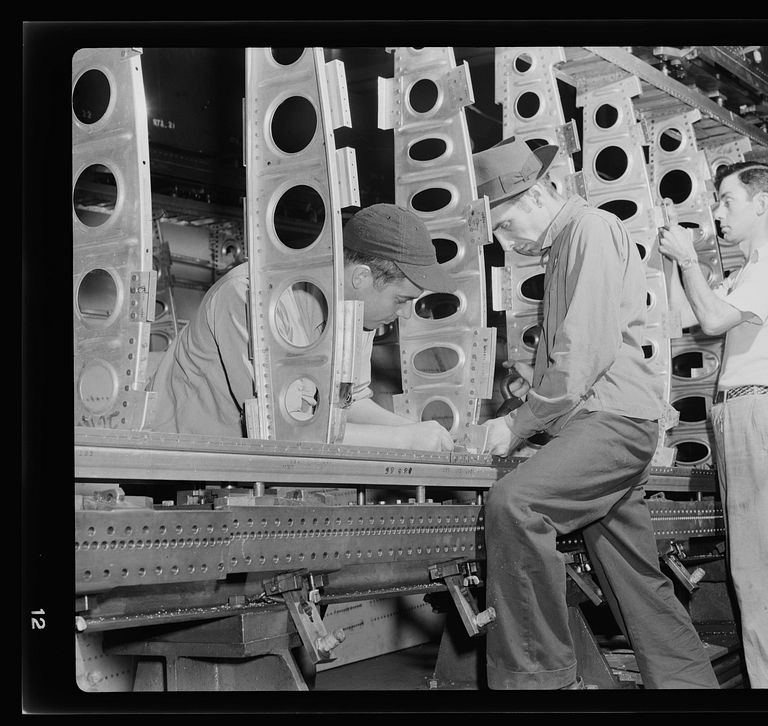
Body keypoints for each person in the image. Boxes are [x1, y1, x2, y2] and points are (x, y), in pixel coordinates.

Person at [476, 138, 720, 690]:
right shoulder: (564, 245)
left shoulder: (592, 229)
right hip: (605, 422)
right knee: (633, 576)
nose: (503, 238)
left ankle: (540, 680)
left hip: (611, 424)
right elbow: (571, 352)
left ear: (537, 195)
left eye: (506, 223)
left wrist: (516, 426)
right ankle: (690, 687)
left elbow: (585, 350)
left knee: (515, 505)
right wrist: (528, 396)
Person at [657, 161, 768, 688]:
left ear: (762, 205)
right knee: (757, 575)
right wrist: (672, 260)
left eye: (727, 201)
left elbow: (710, 321)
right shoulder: (751, 270)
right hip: (739, 415)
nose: (718, 212)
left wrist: (688, 262)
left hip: (757, 413)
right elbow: (685, 316)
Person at [147, 203, 455, 452]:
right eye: (401, 299)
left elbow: (350, 402)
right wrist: (404, 442)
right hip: (184, 470)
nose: (404, 313)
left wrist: (418, 431)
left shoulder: (359, 314)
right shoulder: (252, 296)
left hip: (259, 472)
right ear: (361, 277)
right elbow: (285, 428)